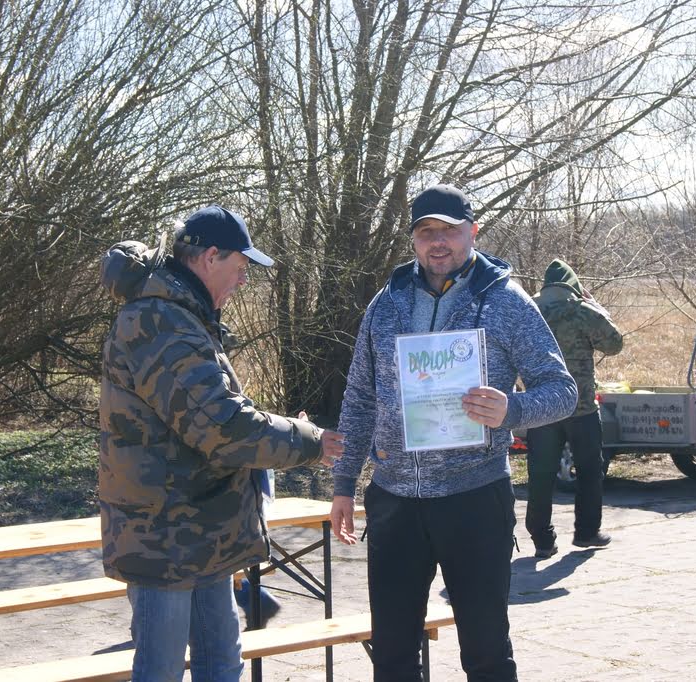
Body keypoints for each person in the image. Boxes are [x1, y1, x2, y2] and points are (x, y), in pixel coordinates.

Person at [330, 184, 577, 681]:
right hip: (395, 500)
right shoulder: (385, 303)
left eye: (449, 230)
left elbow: (563, 390)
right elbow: (359, 398)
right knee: (392, 655)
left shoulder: (507, 301)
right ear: (413, 239)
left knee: (486, 653)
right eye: (426, 232)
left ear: (473, 232)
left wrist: (511, 408)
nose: (437, 241)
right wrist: (343, 482)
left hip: (474, 497)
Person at [98, 204, 345, 682]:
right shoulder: (160, 322)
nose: (244, 279)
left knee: (221, 664)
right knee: (162, 670)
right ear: (211, 257)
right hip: (163, 539)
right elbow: (220, 427)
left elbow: (210, 409)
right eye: (241, 265)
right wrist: (311, 442)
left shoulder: (181, 316)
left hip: (201, 531)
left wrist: (283, 431)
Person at [524, 260, 624, 559]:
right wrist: (597, 306)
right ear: (574, 286)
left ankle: (542, 540)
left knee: (540, 475)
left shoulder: (528, 309)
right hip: (581, 407)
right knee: (590, 471)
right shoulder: (582, 310)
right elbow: (614, 344)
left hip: (541, 407)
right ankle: (586, 532)